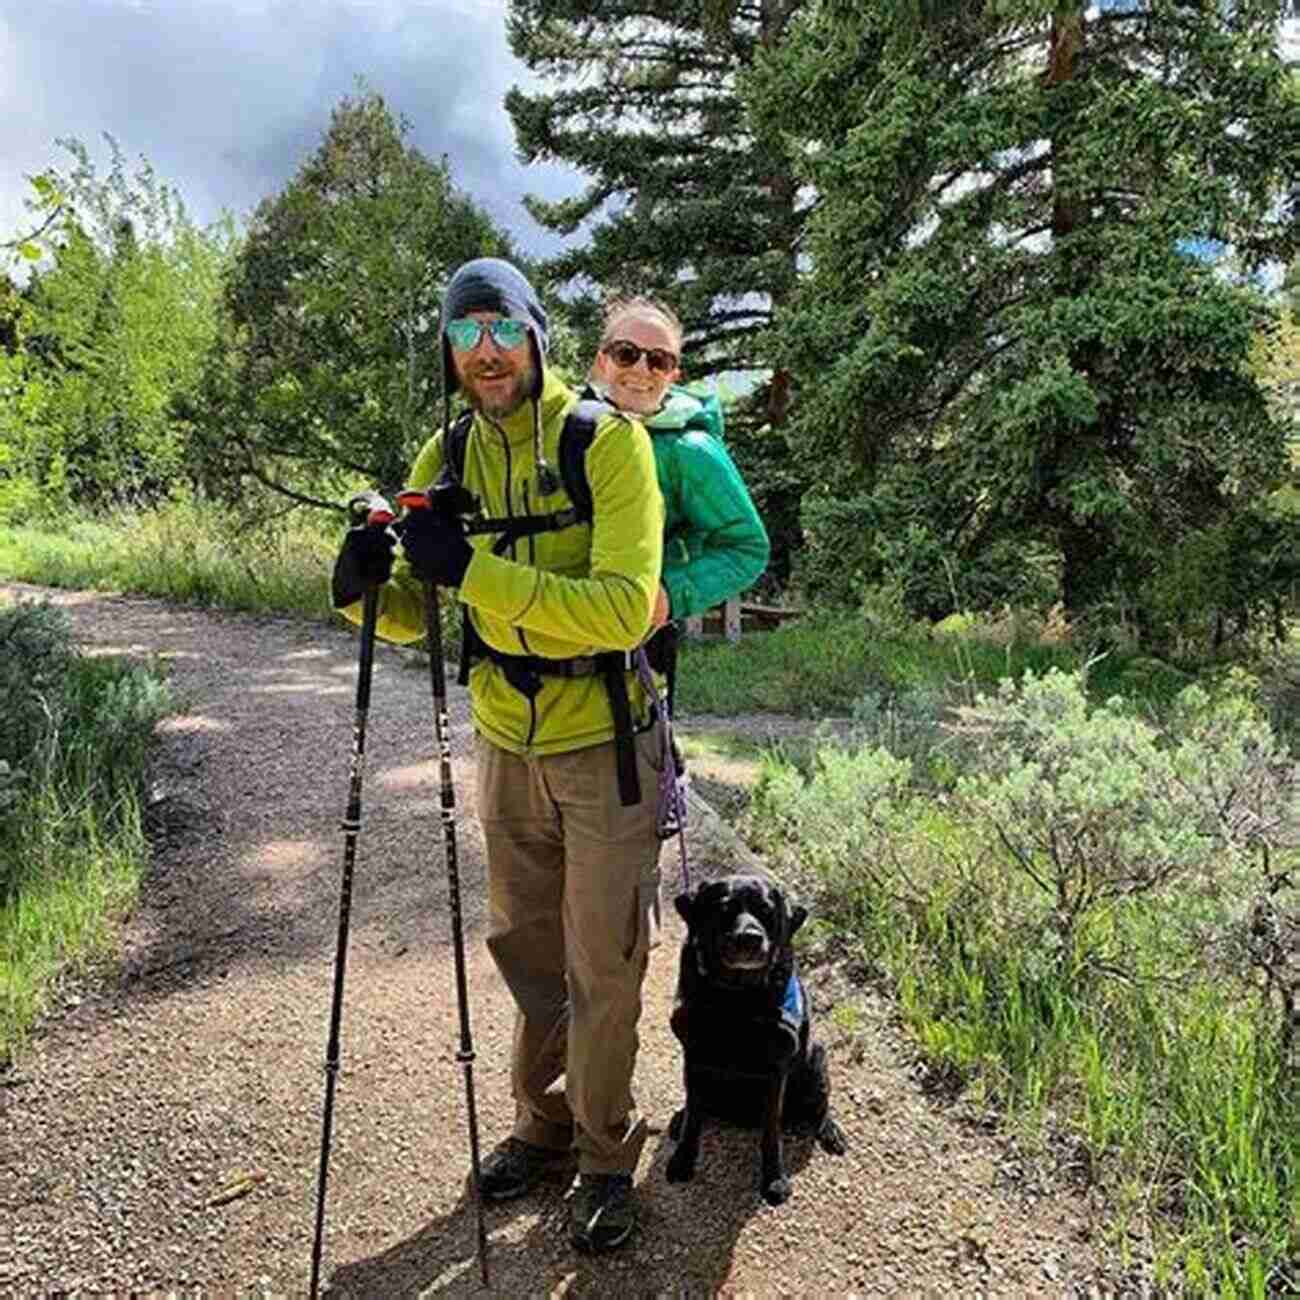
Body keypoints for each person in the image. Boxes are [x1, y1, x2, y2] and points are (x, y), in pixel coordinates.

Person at [330, 258, 666, 1254]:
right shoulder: (444, 453)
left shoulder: (604, 443)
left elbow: (617, 610)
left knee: (601, 962)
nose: (483, 351)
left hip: (603, 742)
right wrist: (361, 587)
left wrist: (473, 569)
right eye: (465, 333)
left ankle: (606, 1157)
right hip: (503, 744)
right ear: (449, 350)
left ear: (534, 336)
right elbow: (411, 613)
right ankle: (542, 1126)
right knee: (525, 953)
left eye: (500, 329)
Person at [585, 296, 769, 646]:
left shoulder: (690, 452)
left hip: (631, 645)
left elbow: (747, 547)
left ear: (673, 374)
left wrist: (668, 594)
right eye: (626, 353)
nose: (641, 368)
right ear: (602, 361)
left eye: (658, 360)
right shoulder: (565, 428)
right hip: (556, 622)